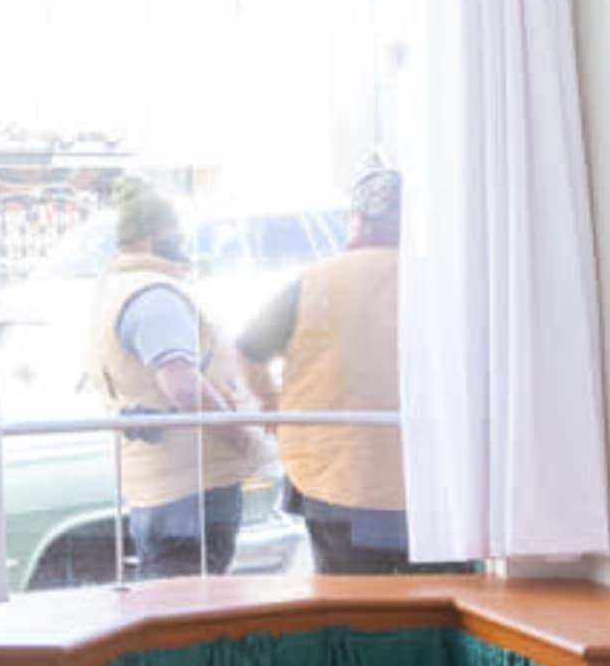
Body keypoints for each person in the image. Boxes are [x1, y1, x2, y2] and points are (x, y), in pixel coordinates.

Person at [85, 182, 258, 580]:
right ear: (152, 235)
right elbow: (182, 385)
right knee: (188, 605)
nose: (183, 239)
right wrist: (240, 437)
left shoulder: (118, 290)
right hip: (189, 483)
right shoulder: (154, 297)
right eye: (175, 230)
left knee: (171, 598)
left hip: (163, 482)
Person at [247, 165, 409, 573]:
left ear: (357, 222)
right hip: (421, 480)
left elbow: (250, 348)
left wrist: (270, 405)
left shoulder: (314, 281)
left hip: (333, 476)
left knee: (346, 605)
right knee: (429, 603)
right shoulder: (435, 280)